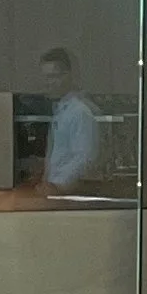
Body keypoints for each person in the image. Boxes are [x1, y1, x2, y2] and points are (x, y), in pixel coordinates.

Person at [39, 46, 101, 192]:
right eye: (45, 77)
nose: (48, 83)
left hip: (65, 192)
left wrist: (58, 186)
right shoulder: (61, 110)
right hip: (53, 189)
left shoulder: (80, 112)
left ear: (68, 76)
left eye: (53, 77)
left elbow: (85, 157)